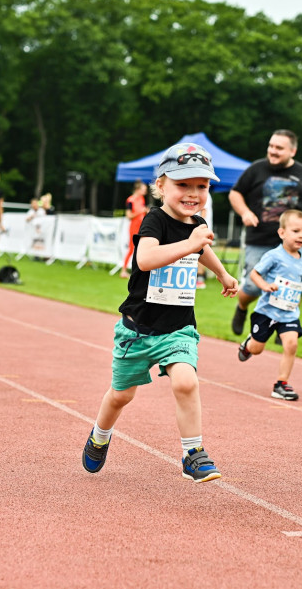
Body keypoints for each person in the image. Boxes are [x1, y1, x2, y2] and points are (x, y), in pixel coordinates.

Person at [81, 143, 239, 482]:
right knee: (121, 395)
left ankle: (193, 454)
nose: (193, 193)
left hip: (178, 329)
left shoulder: (197, 224)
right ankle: (100, 435)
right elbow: (146, 259)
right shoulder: (154, 220)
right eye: (183, 185)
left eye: (202, 186)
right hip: (138, 330)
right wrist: (193, 243)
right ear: (161, 186)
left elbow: (203, 250)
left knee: (186, 381)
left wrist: (222, 273)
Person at [228, 129, 302, 335]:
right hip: (260, 238)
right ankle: (242, 308)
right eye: (271, 146)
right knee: (254, 286)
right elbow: (235, 193)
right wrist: (245, 212)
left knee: (289, 287)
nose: (272, 151)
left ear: (293, 151)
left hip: (292, 243)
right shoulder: (256, 169)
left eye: (278, 148)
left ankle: (284, 326)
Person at [236, 209, 302, 400]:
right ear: (282, 233)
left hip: (289, 313)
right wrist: (265, 286)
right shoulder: (274, 255)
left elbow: (296, 283)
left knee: (291, 344)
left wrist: (296, 298)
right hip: (267, 312)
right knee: (256, 349)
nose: (301, 236)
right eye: (296, 231)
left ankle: (281, 383)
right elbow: (254, 274)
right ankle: (248, 343)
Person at [119, 180, 148, 279]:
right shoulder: (130, 200)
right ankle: (123, 270)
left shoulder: (142, 199)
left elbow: (143, 212)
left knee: (141, 248)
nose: (145, 191)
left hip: (142, 226)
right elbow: (128, 216)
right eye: (144, 189)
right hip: (134, 227)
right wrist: (140, 212)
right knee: (132, 248)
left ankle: (139, 271)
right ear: (138, 189)